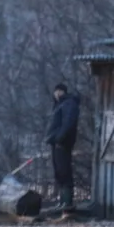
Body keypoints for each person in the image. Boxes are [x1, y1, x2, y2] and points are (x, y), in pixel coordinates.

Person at [45, 83, 81, 212]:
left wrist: (59, 137)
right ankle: (62, 201)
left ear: (62, 92)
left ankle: (67, 202)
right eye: (55, 91)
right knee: (59, 172)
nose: (56, 94)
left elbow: (68, 123)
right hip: (56, 142)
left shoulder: (69, 103)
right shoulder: (58, 105)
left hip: (63, 143)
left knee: (64, 170)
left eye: (58, 91)